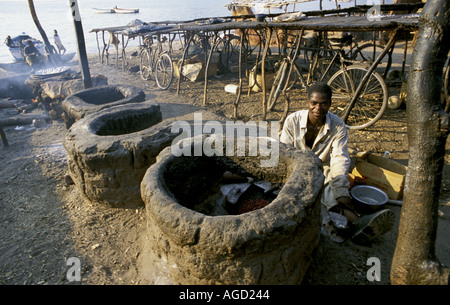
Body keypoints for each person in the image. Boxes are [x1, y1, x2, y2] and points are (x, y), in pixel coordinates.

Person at [280, 82, 395, 244]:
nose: (317, 108)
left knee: (333, 196)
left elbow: (340, 159)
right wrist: (301, 176)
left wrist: (341, 190)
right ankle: (351, 225)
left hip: (323, 167)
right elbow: (286, 154)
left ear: (330, 104)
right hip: (296, 168)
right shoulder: (292, 121)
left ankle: (359, 223)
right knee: (304, 196)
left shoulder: (338, 125)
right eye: (313, 103)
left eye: (323, 103)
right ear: (308, 102)